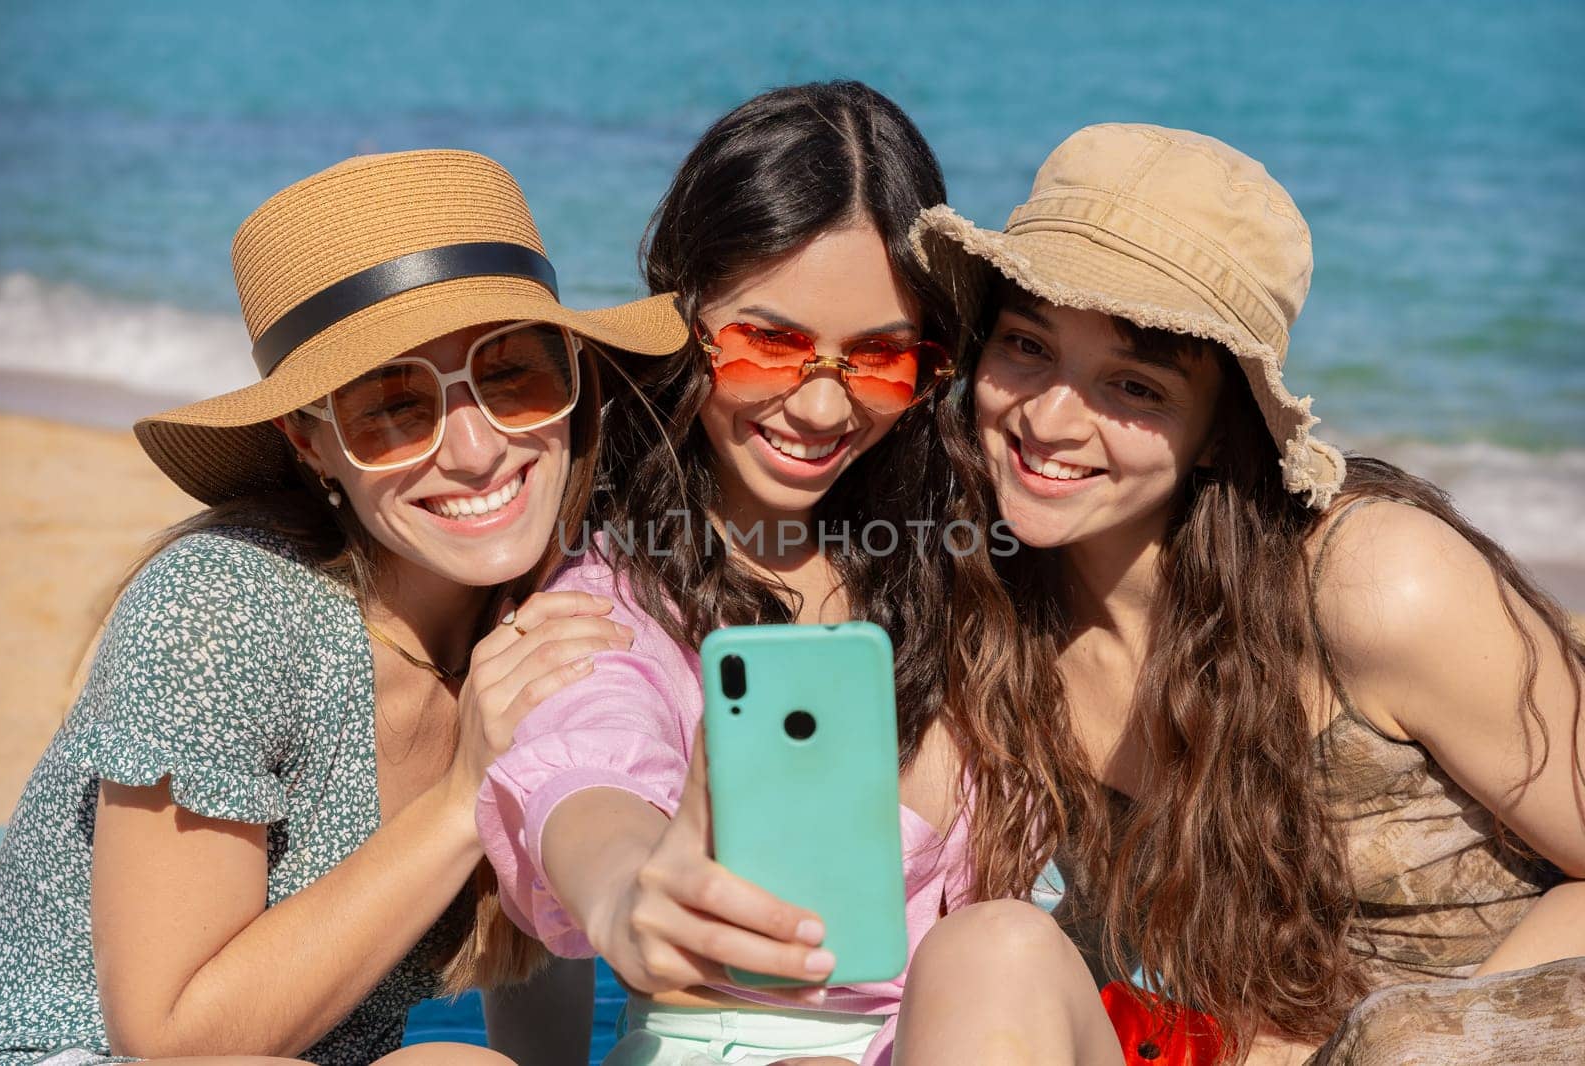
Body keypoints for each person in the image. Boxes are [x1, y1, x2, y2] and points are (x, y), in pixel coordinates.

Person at [0, 149, 689, 1065]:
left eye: (514, 374)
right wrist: (462, 794)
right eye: (394, 406)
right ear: (309, 442)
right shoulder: (226, 608)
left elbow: (535, 950)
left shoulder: (545, 604)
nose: (476, 452)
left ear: (575, 384)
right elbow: (167, 1042)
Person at [477, 83, 1123, 1066]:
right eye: (770, 343)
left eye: (877, 359)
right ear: (685, 313)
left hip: (978, 1033)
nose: (823, 410)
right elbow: (588, 772)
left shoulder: (976, 558)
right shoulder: (611, 597)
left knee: (1001, 949)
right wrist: (626, 890)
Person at [912, 123, 1585, 1065]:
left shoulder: (1372, 584)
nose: (1048, 419)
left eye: (1134, 387)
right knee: (987, 952)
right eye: (1026, 345)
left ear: (1222, 431)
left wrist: (1424, 1039)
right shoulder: (988, 597)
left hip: (1473, 1042)